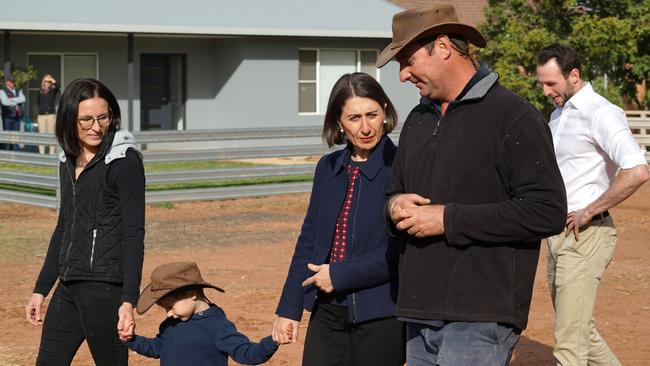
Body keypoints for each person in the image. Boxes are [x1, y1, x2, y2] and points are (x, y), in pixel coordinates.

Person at [375, 4, 567, 365]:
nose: (402, 76)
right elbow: (392, 192)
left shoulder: (513, 116)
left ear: (444, 47)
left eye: (408, 61)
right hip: (420, 310)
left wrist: (447, 219)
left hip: (481, 313)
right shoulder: (418, 119)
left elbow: (547, 211)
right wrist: (394, 205)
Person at [273, 72, 405, 366]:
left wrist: (340, 275)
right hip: (327, 311)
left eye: (372, 114)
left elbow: (402, 251)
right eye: (354, 117)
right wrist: (289, 308)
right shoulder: (328, 168)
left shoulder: (403, 166)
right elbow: (309, 240)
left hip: (383, 312)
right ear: (338, 122)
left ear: (385, 111)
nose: (366, 127)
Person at [536, 44, 649, 366]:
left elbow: (637, 170)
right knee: (581, 331)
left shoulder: (601, 112)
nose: (545, 91)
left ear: (574, 75)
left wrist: (589, 209)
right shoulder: (559, 114)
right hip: (558, 234)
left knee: (569, 344)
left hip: (587, 233)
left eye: (551, 83)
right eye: (542, 83)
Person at [24, 78, 145, 365]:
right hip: (68, 285)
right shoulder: (67, 159)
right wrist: (41, 289)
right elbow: (64, 225)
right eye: (86, 119)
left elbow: (133, 233)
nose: (96, 127)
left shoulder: (124, 161)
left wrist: (128, 300)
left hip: (105, 288)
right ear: (69, 120)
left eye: (103, 117)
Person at [124, 261, 280, 365]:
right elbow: (157, 347)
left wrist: (273, 341)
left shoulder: (218, 326)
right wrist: (132, 339)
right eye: (164, 308)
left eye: (170, 306)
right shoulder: (170, 325)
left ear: (191, 294)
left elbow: (246, 353)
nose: (168, 314)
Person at [0, 75, 26, 150]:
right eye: (11, 82)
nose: (13, 83)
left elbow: (23, 99)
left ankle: (15, 154)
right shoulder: (2, 91)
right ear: (7, 82)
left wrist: (12, 99)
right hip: (7, 117)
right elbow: (5, 102)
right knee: (7, 137)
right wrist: (17, 100)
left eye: (13, 81)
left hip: (17, 116)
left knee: (15, 137)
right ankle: (7, 154)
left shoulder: (18, 90)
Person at [37, 74, 60, 154]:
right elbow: (38, 102)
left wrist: (52, 79)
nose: (47, 83)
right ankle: (41, 153)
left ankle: (51, 153)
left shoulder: (53, 90)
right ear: (43, 82)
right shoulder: (40, 91)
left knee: (51, 134)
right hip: (41, 115)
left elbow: (58, 86)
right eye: (46, 81)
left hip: (51, 115)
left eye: (49, 82)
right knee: (41, 135)